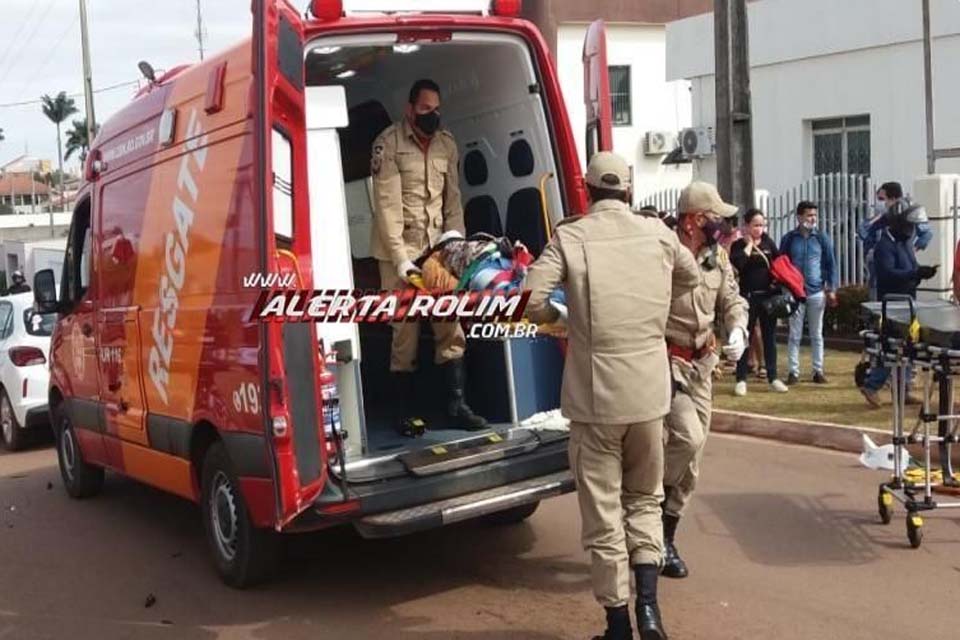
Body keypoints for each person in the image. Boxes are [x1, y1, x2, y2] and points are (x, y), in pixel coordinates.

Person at [524, 152, 699, 640]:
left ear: (585, 189)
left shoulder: (572, 237)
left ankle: (618, 624)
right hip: (649, 395)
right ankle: (650, 612)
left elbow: (532, 298)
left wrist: (565, 322)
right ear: (628, 189)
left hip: (596, 399)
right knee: (645, 499)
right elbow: (688, 275)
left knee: (604, 514)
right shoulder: (658, 234)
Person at [369, 78, 486, 432]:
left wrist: (457, 249)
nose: (432, 116)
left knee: (450, 326)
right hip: (398, 252)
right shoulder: (388, 144)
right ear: (410, 109)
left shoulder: (446, 145)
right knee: (404, 331)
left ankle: (456, 405)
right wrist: (400, 258)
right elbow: (386, 207)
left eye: (436, 110)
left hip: (437, 252)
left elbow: (453, 202)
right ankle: (405, 412)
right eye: (424, 110)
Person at [661, 182, 749, 580]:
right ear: (694, 219)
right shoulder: (661, 253)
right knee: (687, 438)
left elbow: (731, 300)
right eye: (715, 217)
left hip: (702, 363)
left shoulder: (718, 257)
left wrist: (739, 329)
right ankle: (647, 501)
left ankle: (665, 535)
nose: (723, 224)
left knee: (693, 463)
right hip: (665, 361)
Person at [860, 201, 937, 407]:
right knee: (892, 349)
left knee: (909, 347)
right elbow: (888, 275)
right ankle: (872, 385)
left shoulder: (905, 244)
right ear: (899, 225)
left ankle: (903, 390)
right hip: (892, 305)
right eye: (909, 226)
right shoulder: (884, 247)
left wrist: (922, 272)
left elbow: (911, 268)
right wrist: (914, 273)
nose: (912, 231)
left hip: (908, 302)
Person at [730, 209, 788, 395]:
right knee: (745, 336)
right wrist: (748, 246)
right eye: (755, 225)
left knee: (769, 337)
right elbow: (738, 264)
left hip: (768, 297)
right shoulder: (739, 245)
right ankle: (741, 378)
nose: (759, 229)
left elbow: (779, 264)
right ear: (746, 226)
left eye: (762, 225)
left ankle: (773, 376)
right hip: (747, 296)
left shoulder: (769, 242)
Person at [780, 201, 838, 385]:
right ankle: (793, 372)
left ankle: (818, 371)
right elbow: (782, 264)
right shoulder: (789, 239)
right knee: (794, 334)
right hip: (795, 292)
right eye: (808, 215)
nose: (812, 219)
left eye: (814, 215)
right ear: (799, 217)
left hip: (816, 291)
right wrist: (785, 288)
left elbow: (831, 264)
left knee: (817, 334)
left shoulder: (821, 238)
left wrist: (832, 289)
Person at [859, 182, 932, 300]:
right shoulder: (884, 242)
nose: (880, 203)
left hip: (905, 283)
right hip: (883, 278)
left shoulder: (906, 236)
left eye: (882, 199)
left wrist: (918, 268)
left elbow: (926, 233)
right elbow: (863, 231)